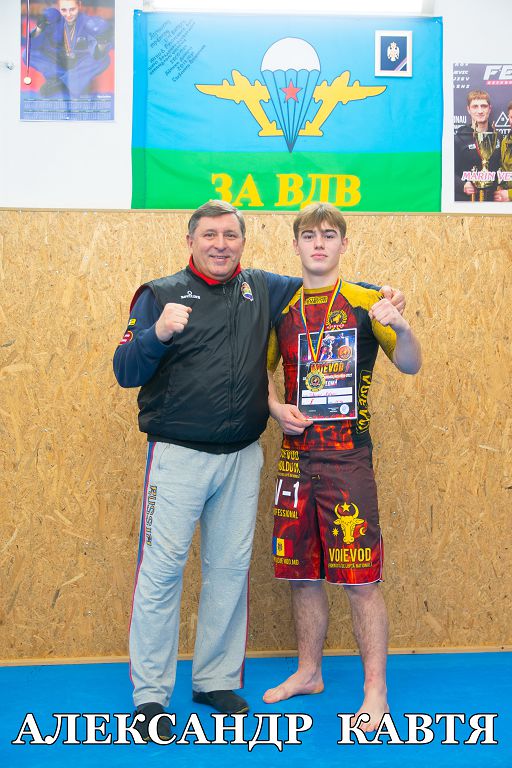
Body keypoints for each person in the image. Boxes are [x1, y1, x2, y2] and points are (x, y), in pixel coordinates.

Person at [113, 199, 404, 742]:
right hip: (178, 455)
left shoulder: (264, 288)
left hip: (242, 457)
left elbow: (329, 281)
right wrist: (158, 334)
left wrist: (387, 295)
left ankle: (215, 680)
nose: (220, 244)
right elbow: (124, 368)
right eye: (209, 235)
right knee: (162, 573)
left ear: (244, 243)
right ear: (190, 240)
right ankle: (151, 694)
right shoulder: (159, 294)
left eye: (231, 235)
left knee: (228, 570)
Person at [263, 203, 421, 733]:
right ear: (295, 245)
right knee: (301, 574)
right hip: (294, 459)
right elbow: (261, 371)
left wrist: (401, 325)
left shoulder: (367, 300)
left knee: (360, 579)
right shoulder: (281, 307)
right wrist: (274, 407)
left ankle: (375, 692)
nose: (319, 244)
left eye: (329, 235)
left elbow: (410, 363)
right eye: (309, 235)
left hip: (347, 458)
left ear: (343, 244)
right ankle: (309, 672)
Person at [26, 0, 113, 98]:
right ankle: (68, 80)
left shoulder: (88, 23)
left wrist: (102, 42)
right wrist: (39, 28)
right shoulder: (52, 19)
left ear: (79, 5)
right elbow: (34, 45)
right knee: (27, 54)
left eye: (72, 9)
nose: (68, 14)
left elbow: (97, 54)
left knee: (104, 60)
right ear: (58, 7)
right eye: (64, 10)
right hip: (57, 61)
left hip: (78, 62)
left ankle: (60, 83)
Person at [454, 90, 500, 201]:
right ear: (468, 109)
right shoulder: (459, 138)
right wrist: (462, 185)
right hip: (467, 200)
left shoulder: (498, 137)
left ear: (489, 109)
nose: (480, 111)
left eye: (483, 106)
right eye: (475, 106)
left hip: (493, 201)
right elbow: (447, 171)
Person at [494, 100, 512, 202]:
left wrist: (510, 194)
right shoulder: (505, 141)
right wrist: (500, 186)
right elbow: (503, 168)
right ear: (508, 118)